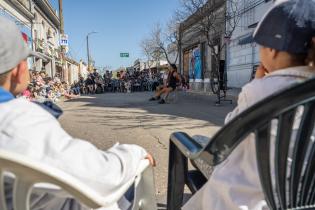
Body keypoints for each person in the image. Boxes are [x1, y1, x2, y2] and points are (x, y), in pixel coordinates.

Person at [0, 16, 155, 210]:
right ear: (19, 69)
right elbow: (102, 177)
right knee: (137, 171)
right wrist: (134, 153)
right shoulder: (20, 121)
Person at [183, 1, 315, 209]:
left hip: (252, 198)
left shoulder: (260, 91)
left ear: (272, 50)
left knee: (189, 143)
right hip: (303, 197)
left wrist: (255, 84)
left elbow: (230, 135)